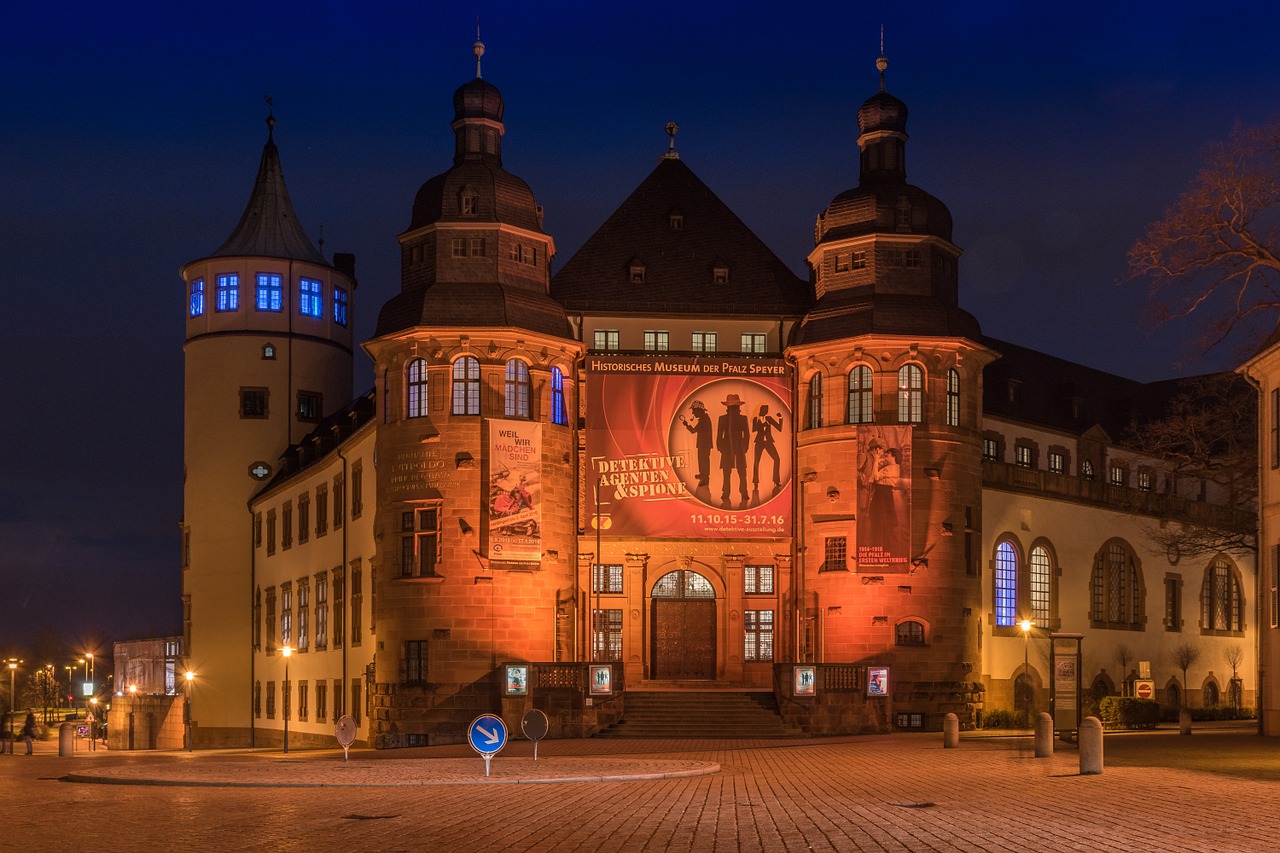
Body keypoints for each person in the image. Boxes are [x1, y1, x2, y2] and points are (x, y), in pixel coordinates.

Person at [716, 393, 750, 508]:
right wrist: (720, 446)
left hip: (739, 446)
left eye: (735, 407)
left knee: (742, 471)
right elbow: (719, 434)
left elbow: (747, 434)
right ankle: (725, 492)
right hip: (727, 447)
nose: (734, 409)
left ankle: (743, 491)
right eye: (732, 407)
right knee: (726, 472)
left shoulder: (742, 419)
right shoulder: (723, 419)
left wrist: (745, 447)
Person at [679, 400, 713, 487]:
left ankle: (705, 478)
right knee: (702, 460)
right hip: (704, 444)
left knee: (704, 460)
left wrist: (686, 424)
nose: (693, 412)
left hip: (704, 444)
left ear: (699, 410)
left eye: (694, 410)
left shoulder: (703, 420)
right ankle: (703, 474)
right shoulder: (704, 418)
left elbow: (693, 431)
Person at [751, 404, 783, 489]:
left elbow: (779, 428)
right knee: (756, 461)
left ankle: (776, 480)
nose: (765, 412)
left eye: (766, 410)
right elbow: (753, 429)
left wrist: (780, 418)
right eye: (764, 410)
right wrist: (761, 423)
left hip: (768, 442)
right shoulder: (756, 419)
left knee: (777, 459)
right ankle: (755, 482)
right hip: (759, 442)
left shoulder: (769, 419)